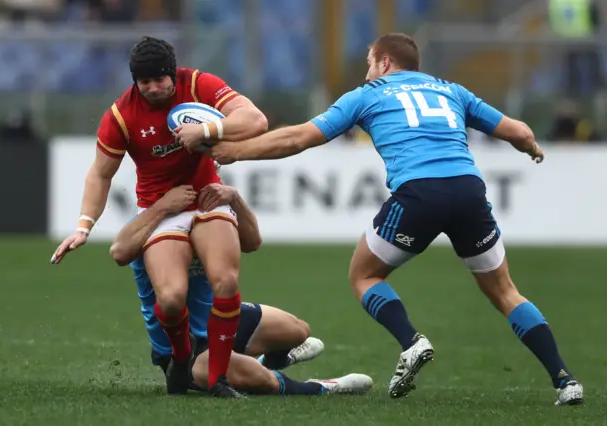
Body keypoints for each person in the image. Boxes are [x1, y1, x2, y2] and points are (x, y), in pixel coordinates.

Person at [206, 33, 583, 406]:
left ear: (384, 62)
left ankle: (411, 342)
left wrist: (237, 151)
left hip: (419, 193)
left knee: (363, 275)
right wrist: (531, 147)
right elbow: (518, 131)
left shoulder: (369, 95)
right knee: (505, 292)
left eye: (370, 63)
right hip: (469, 191)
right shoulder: (451, 90)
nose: (368, 72)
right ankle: (564, 380)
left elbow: (297, 139)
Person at [51, 36, 269, 398]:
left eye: (160, 80)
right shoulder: (122, 114)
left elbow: (255, 121)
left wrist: (207, 130)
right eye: (144, 81)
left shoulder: (198, 85)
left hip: (206, 198)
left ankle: (217, 378)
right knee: (169, 299)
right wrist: (83, 226)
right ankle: (181, 360)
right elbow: (100, 174)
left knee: (226, 283)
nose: (153, 88)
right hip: (160, 209)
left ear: (173, 73)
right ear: (134, 81)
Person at [110, 183, 374, 396]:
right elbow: (119, 251)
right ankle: (323, 387)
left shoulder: (210, 214)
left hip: (218, 322)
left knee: (298, 330)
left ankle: (268, 361)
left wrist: (234, 199)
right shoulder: (151, 219)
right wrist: (164, 205)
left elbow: (252, 242)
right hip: (184, 346)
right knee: (258, 379)